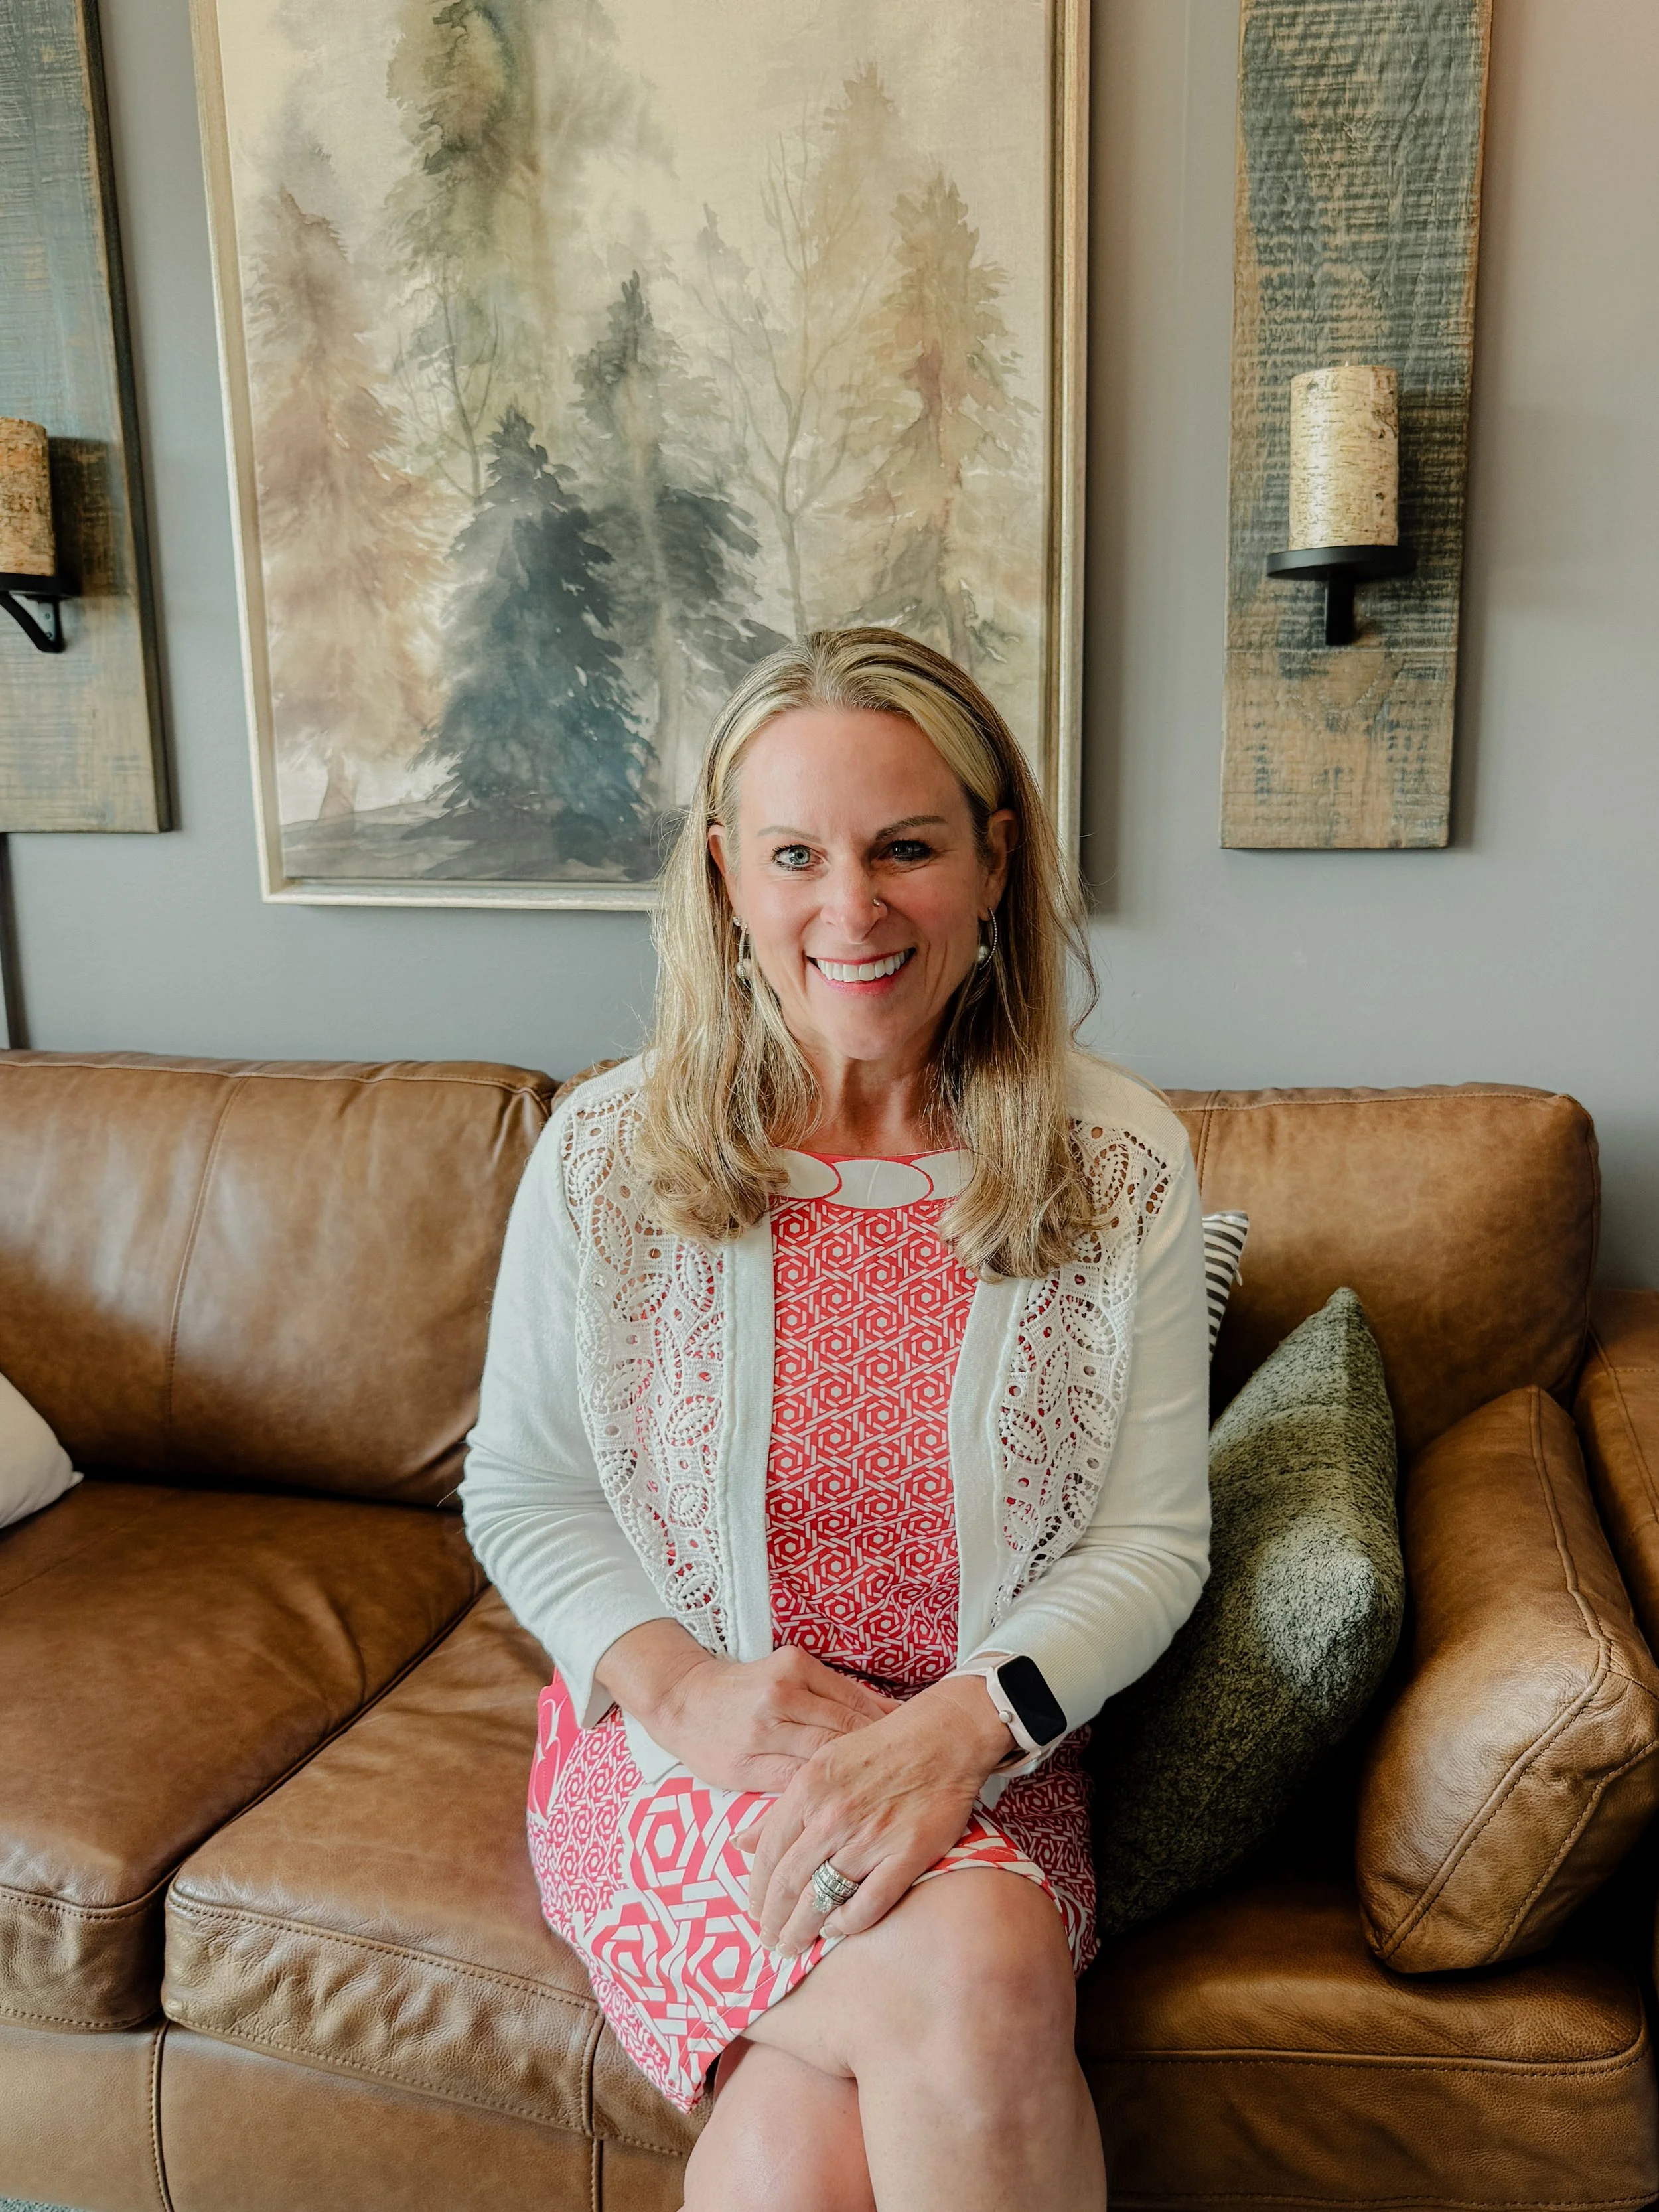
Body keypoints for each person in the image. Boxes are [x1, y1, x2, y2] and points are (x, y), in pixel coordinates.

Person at [462, 628, 1211, 2211]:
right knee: (980, 1973)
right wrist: (681, 1691)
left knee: (801, 2153)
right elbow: (523, 1485)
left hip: (997, 1756)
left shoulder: (1120, 1161)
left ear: (994, 861)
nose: (850, 910)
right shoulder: (606, 1153)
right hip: (677, 1759)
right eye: (795, 854)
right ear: (728, 876)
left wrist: (959, 1728)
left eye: (906, 849)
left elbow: (1150, 1542)